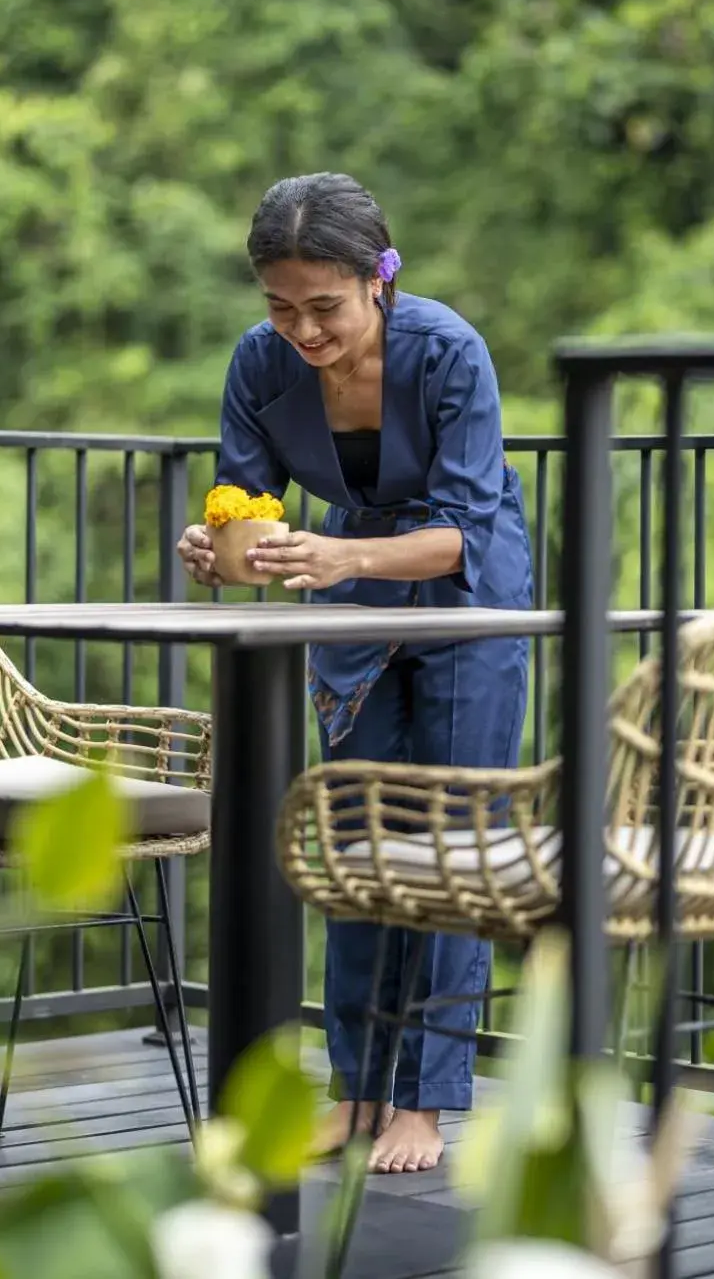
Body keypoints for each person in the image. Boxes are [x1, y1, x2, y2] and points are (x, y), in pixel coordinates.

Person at [177, 172, 532, 1175]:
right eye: (280, 307)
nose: (302, 331)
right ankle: (359, 1089)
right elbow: (246, 499)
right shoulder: (259, 363)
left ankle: (426, 1097)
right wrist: (215, 545)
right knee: (354, 845)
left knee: (450, 843)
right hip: (350, 602)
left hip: (466, 598)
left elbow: (460, 530)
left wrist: (341, 559)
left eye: (323, 307)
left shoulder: (446, 350)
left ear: (378, 278)